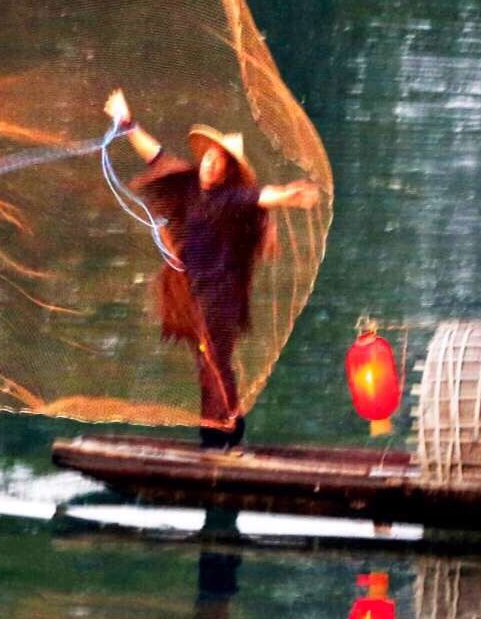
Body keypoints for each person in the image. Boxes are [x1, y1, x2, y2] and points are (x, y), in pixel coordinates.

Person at [105, 89, 321, 448]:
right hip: (195, 288)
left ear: (226, 171)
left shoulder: (231, 199)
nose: (210, 163)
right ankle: (214, 431)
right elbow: (154, 156)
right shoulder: (188, 184)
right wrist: (128, 124)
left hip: (223, 293)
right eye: (208, 157)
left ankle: (227, 430)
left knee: (215, 358)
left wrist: (288, 196)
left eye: (219, 161)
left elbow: (262, 196)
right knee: (206, 362)